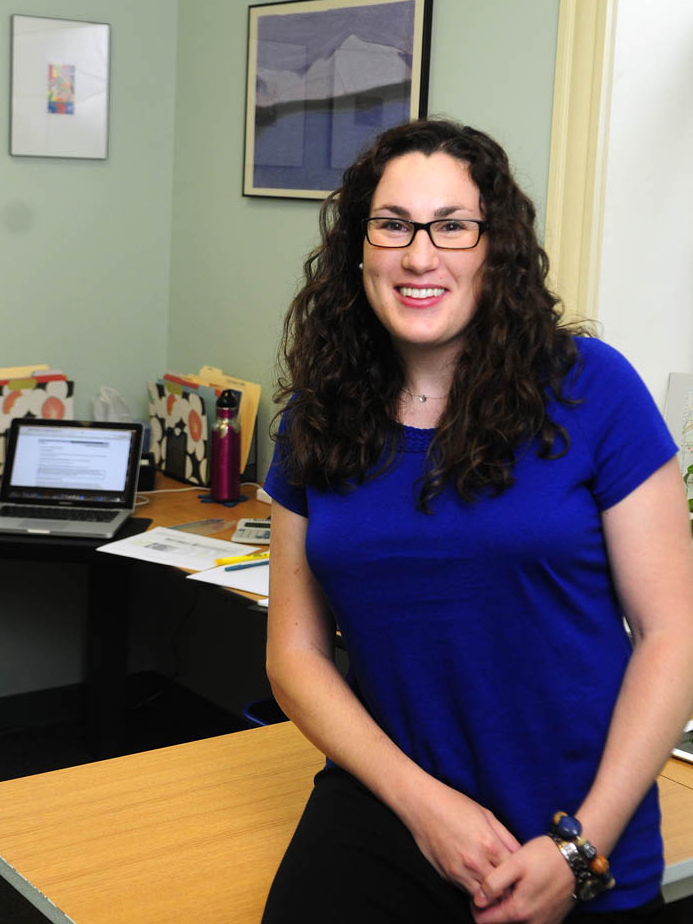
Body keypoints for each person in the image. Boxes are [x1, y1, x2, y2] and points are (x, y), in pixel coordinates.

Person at [260, 118, 693, 924]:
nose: (420, 255)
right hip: (391, 802)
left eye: (453, 226)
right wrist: (424, 806)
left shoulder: (593, 389)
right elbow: (293, 654)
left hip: (574, 821)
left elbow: (673, 632)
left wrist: (579, 845)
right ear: (360, 246)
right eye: (392, 225)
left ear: (497, 247)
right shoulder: (319, 416)